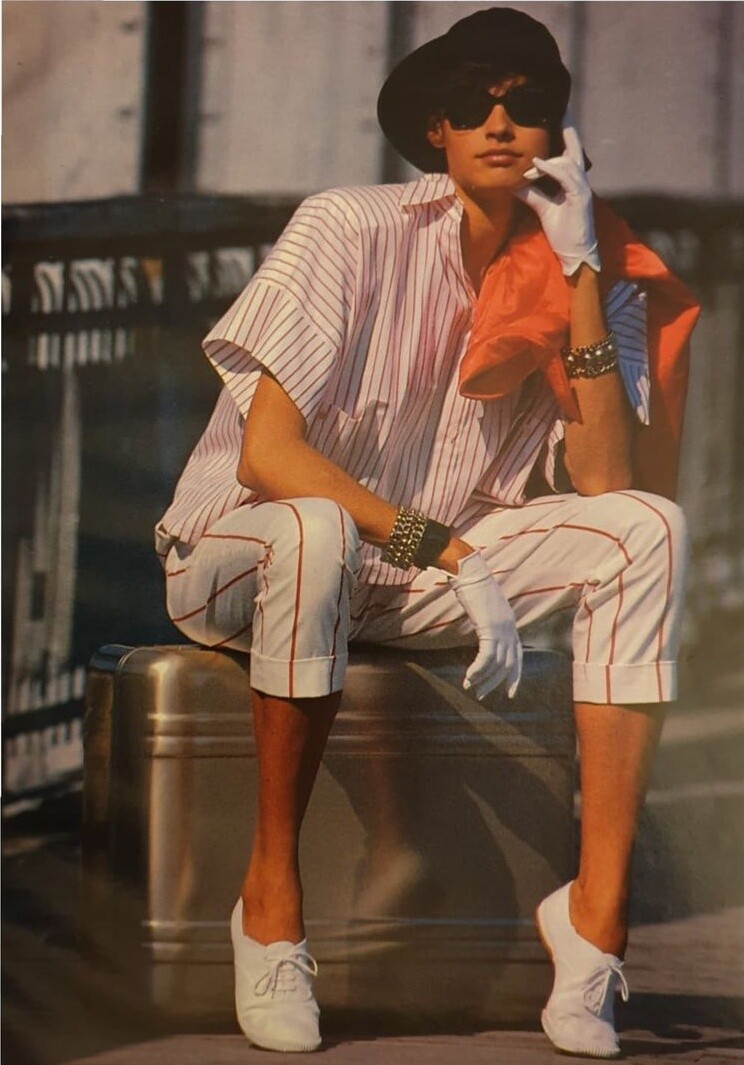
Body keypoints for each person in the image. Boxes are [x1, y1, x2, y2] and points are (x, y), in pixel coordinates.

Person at [155, 7, 699, 1059]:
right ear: (434, 129)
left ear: (556, 134)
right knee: (313, 526)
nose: (499, 122)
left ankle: (595, 923)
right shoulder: (347, 227)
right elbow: (270, 459)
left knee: (649, 530)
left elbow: (602, 480)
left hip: (420, 580)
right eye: (471, 102)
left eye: (525, 103)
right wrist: (445, 549)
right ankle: (269, 907)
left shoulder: (598, 259)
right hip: (243, 554)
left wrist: (581, 275)